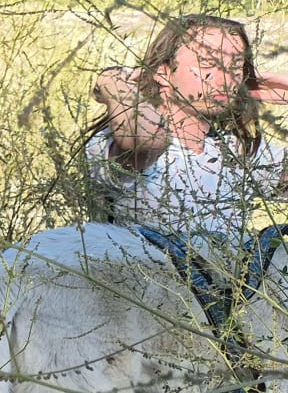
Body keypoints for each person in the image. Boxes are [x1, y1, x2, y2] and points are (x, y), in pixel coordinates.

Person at [87, 13, 288, 237]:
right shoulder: (114, 144)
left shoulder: (236, 150)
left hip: (224, 271)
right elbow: (147, 139)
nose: (226, 79)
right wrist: (112, 80)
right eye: (207, 63)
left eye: (236, 66)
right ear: (163, 72)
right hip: (144, 269)